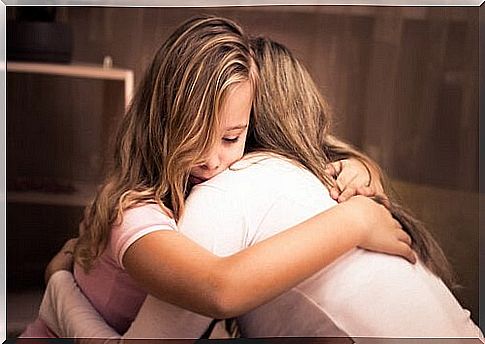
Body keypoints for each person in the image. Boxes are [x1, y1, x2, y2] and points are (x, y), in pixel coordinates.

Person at [37, 36, 483, 339]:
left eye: (232, 136)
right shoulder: (319, 183)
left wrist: (57, 284)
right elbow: (219, 291)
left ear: (252, 119)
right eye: (198, 132)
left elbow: (216, 292)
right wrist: (358, 211)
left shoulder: (236, 190)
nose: (212, 160)